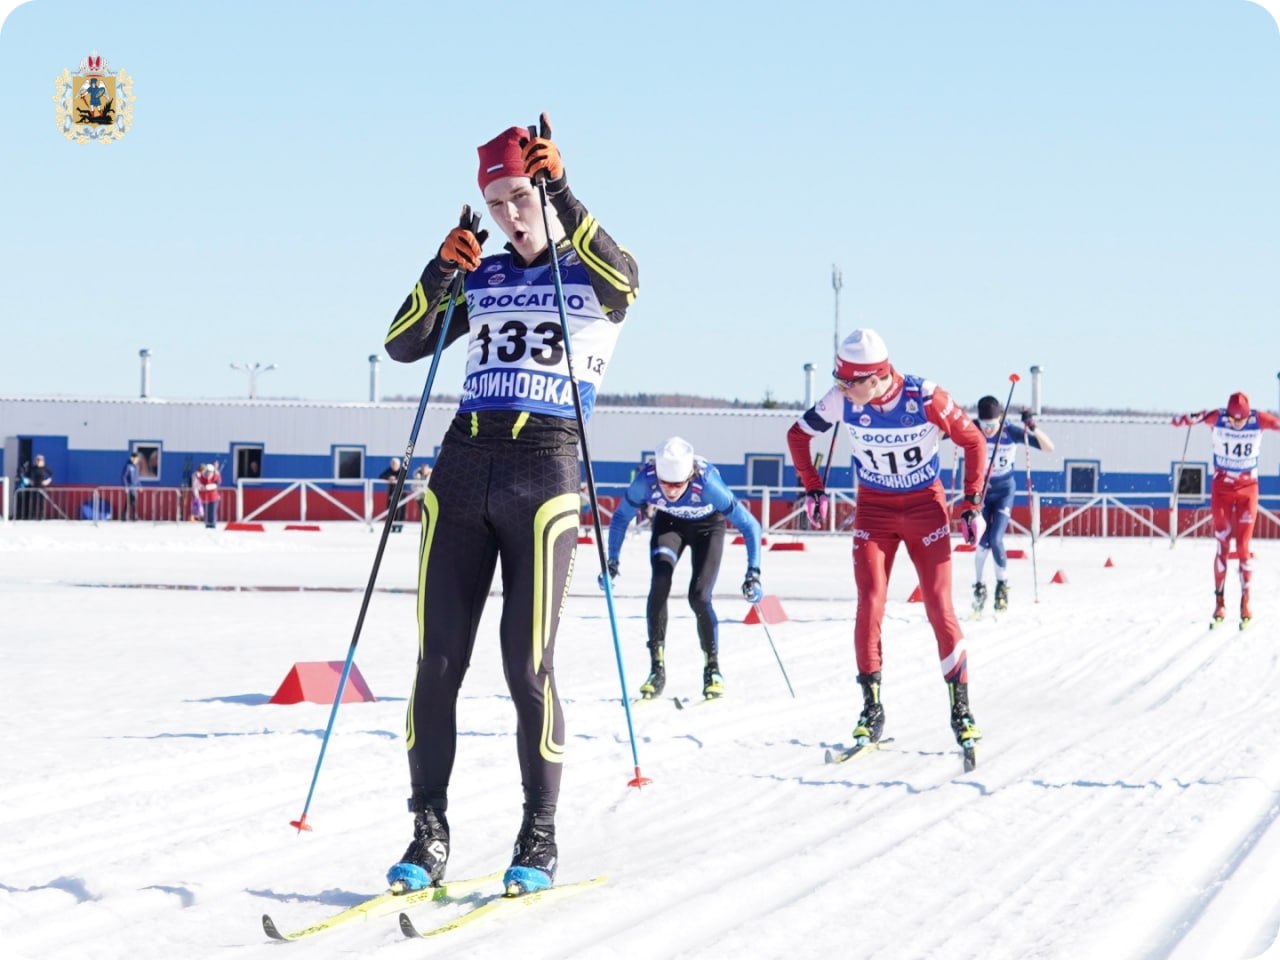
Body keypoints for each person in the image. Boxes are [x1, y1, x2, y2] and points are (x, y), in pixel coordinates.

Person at [382, 112, 638, 896]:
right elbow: (403, 345)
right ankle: (428, 830)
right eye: (495, 204)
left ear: (546, 185)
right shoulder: (485, 275)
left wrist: (564, 190)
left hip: (546, 472)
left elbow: (625, 286)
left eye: (519, 196)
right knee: (437, 661)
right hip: (463, 466)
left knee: (526, 665)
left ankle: (539, 828)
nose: (508, 215)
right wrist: (438, 272)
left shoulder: (588, 268)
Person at [786, 329, 988, 752]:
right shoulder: (843, 401)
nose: (840, 389)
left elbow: (973, 441)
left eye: (849, 382)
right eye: (838, 381)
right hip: (874, 510)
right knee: (871, 601)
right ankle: (871, 708)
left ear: (876, 377)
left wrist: (971, 504)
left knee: (938, 605)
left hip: (924, 509)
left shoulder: (924, 397)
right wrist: (813, 487)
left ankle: (961, 710)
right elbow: (798, 435)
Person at [601, 437, 764, 701]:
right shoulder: (646, 480)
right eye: (666, 485)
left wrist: (753, 573)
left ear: (690, 476)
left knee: (699, 596)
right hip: (670, 526)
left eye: (679, 484)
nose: (673, 491)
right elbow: (620, 518)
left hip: (708, 528)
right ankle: (657, 669)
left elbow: (750, 526)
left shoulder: (708, 484)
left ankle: (712, 669)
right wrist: (612, 563)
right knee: (660, 583)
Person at [1173, 392, 1280, 627]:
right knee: (1222, 544)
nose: (1236, 424)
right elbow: (1192, 418)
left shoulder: (1258, 420)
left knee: (1243, 548)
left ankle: (1246, 601)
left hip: (1247, 491)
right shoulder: (1217, 417)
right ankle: (1219, 602)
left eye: (1240, 420)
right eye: (1233, 420)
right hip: (1221, 490)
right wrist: (1182, 420)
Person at [970, 397, 1055, 615]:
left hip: (1004, 491)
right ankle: (979, 587)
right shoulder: (973, 429)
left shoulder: (1010, 432)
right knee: (981, 539)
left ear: (1000, 419)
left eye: (992, 425)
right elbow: (942, 434)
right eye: (984, 425)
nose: (987, 431)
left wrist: (1032, 426)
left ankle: (1001, 586)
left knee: (996, 538)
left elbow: (1049, 448)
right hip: (982, 492)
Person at [21, 454, 54, 520]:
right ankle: (33, 516)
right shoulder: (33, 468)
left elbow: (51, 475)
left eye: (40, 460)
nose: (39, 461)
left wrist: (47, 481)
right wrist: (29, 481)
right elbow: (25, 475)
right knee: (33, 502)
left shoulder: (45, 468)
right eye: (38, 460)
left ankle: (41, 516)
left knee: (41, 503)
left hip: (42, 487)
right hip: (34, 487)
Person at [379, 457, 406, 532]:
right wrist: (388, 478)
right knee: (390, 510)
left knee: (400, 510)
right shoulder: (389, 470)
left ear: (399, 464)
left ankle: (399, 526)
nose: (394, 465)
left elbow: (406, 478)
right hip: (391, 493)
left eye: (395, 464)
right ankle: (392, 527)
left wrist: (396, 479)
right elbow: (381, 476)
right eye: (392, 464)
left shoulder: (402, 470)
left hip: (401, 494)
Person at [197, 463, 221, 529]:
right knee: (206, 513)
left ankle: (212, 525)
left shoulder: (216, 476)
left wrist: (208, 487)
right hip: (205, 498)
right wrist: (202, 487)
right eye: (207, 471)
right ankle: (207, 525)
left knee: (212, 512)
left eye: (209, 472)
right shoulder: (202, 477)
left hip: (214, 498)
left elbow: (217, 484)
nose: (208, 473)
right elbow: (199, 484)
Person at [121, 452, 141, 521]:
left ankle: (126, 516)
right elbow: (124, 477)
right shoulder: (128, 466)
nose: (137, 460)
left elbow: (137, 478)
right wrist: (126, 486)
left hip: (134, 487)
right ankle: (132, 516)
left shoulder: (137, 466)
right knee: (132, 501)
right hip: (130, 486)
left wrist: (139, 486)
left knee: (130, 502)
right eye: (136, 459)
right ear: (132, 458)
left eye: (137, 459)